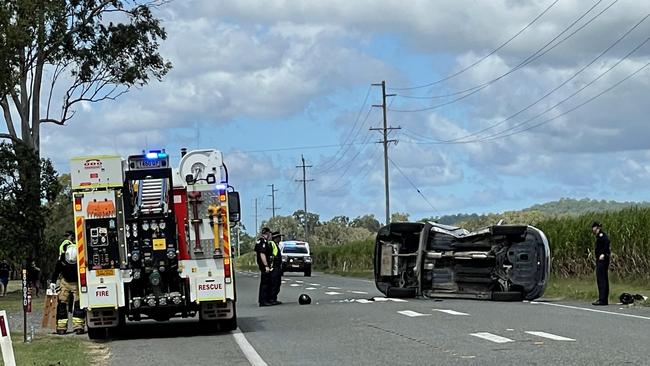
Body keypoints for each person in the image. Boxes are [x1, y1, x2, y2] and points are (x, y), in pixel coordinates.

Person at [50, 233, 86, 335]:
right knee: (61, 303)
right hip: (64, 282)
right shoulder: (62, 260)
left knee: (79, 304)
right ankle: (61, 327)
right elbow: (56, 271)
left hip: (76, 283)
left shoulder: (80, 261)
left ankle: (79, 326)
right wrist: (53, 282)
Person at [591, 221, 611, 306]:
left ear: (597, 228)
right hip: (601, 260)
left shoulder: (602, 236)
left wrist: (603, 253)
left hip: (602, 260)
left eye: (594, 227)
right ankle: (603, 298)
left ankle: (602, 300)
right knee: (602, 279)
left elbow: (607, 242)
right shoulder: (598, 237)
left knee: (602, 279)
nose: (593, 229)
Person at [255, 227, 274, 307]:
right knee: (265, 284)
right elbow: (262, 254)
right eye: (269, 233)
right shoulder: (263, 242)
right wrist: (266, 265)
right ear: (267, 233)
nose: (269, 235)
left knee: (267, 283)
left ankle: (266, 299)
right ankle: (263, 301)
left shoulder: (259, 241)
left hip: (263, 265)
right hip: (264, 266)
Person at [268, 231, 283, 305]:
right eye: (279, 237)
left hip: (277, 266)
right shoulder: (272, 244)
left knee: (277, 283)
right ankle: (272, 299)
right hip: (274, 267)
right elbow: (271, 256)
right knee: (274, 283)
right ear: (276, 238)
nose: (280, 239)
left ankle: (274, 298)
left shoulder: (276, 245)